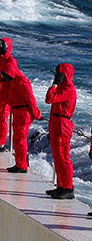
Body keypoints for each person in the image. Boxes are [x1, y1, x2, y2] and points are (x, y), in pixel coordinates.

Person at [3, 53, 41, 174]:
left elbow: (31, 99)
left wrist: (36, 114)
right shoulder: (14, 81)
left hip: (23, 113)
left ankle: (22, 165)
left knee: (20, 139)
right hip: (18, 112)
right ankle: (19, 163)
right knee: (17, 139)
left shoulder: (22, 82)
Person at [45, 65, 77, 198]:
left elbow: (49, 99)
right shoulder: (63, 87)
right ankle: (61, 185)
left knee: (63, 156)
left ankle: (68, 188)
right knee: (57, 156)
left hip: (63, 123)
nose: (56, 75)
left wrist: (54, 85)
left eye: (58, 73)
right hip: (56, 122)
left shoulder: (68, 89)